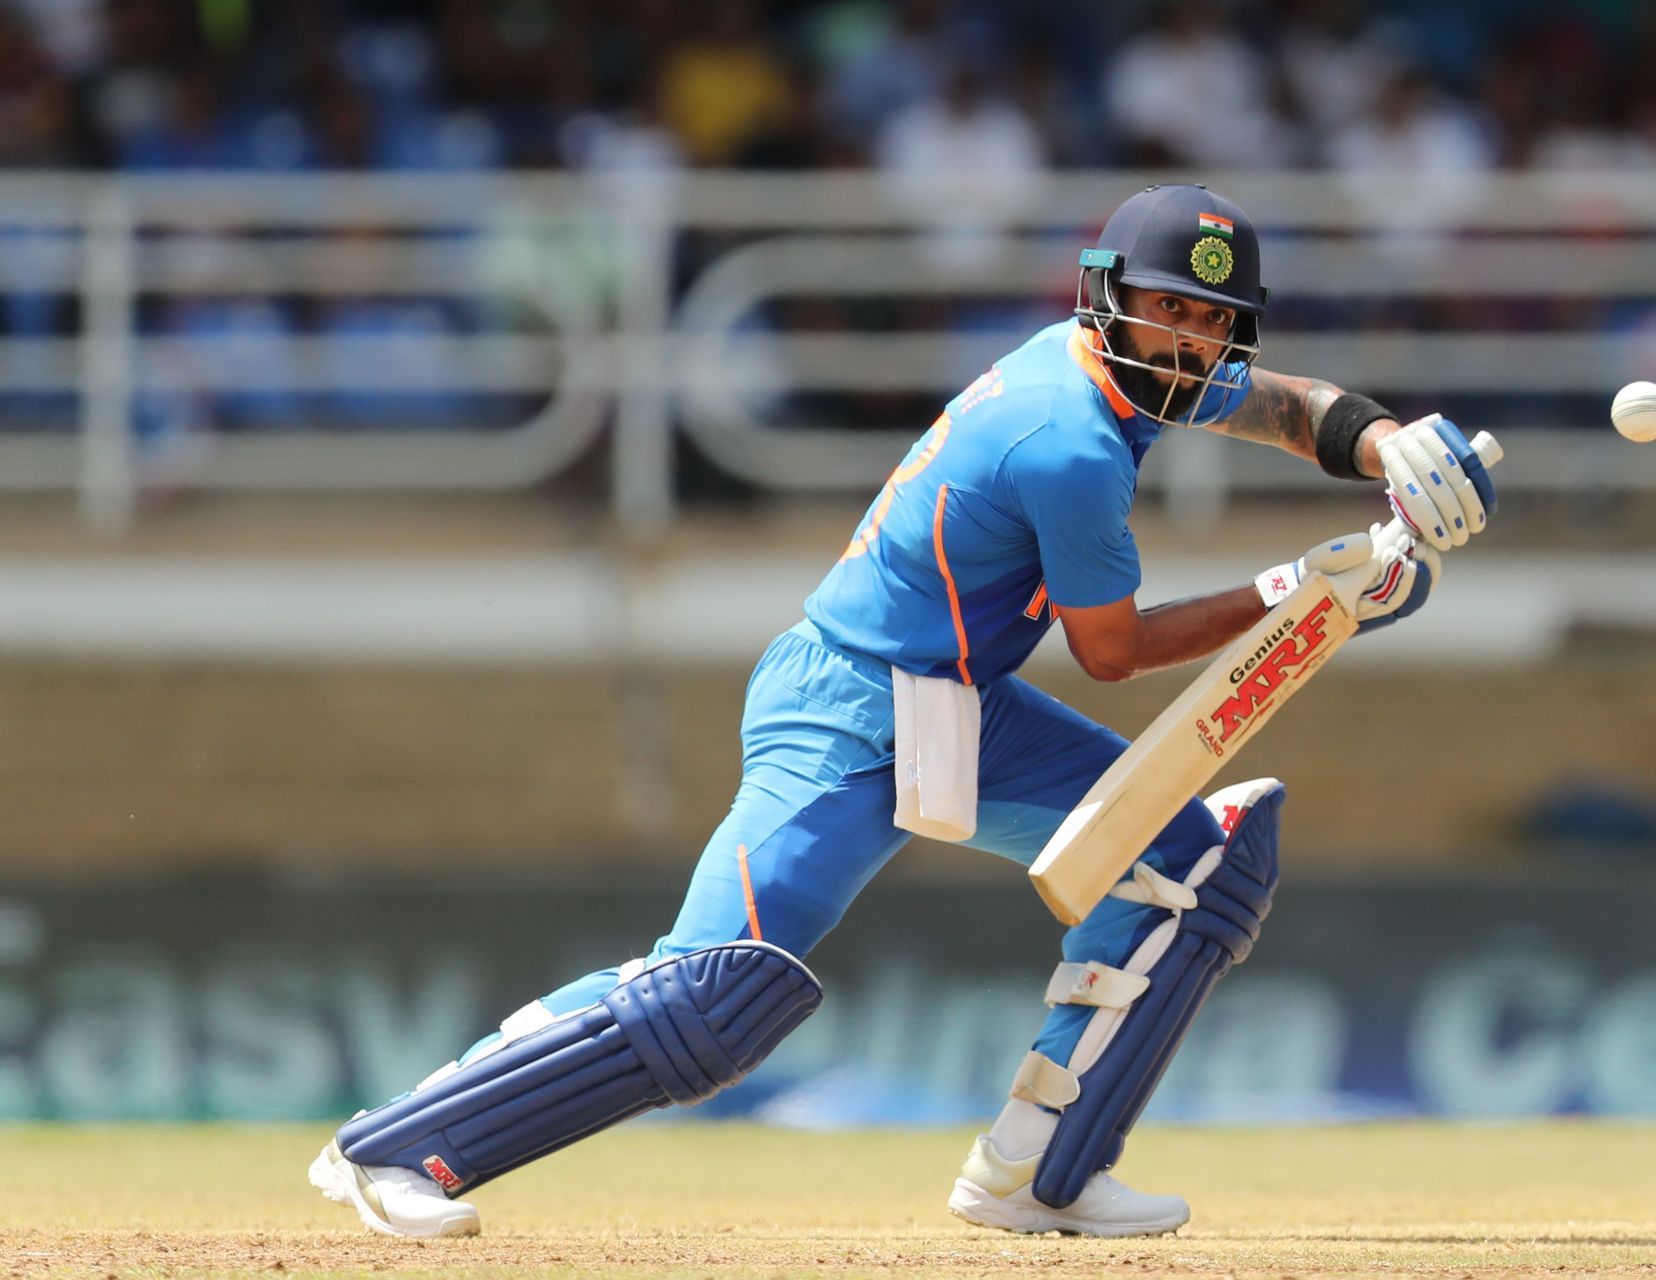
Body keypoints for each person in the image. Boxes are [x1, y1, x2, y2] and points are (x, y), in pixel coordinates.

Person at [308, 184, 1495, 1240]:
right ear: (1104, 299)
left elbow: (1286, 408)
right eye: (1165, 309)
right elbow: (1114, 652)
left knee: (1190, 865)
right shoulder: (1068, 439)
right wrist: (1303, 595)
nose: (1187, 341)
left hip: (955, 701)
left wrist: (1389, 440)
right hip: (845, 709)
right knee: (717, 990)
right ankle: (397, 1142)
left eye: (1208, 319)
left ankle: (1040, 1171)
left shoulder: (1127, 373)